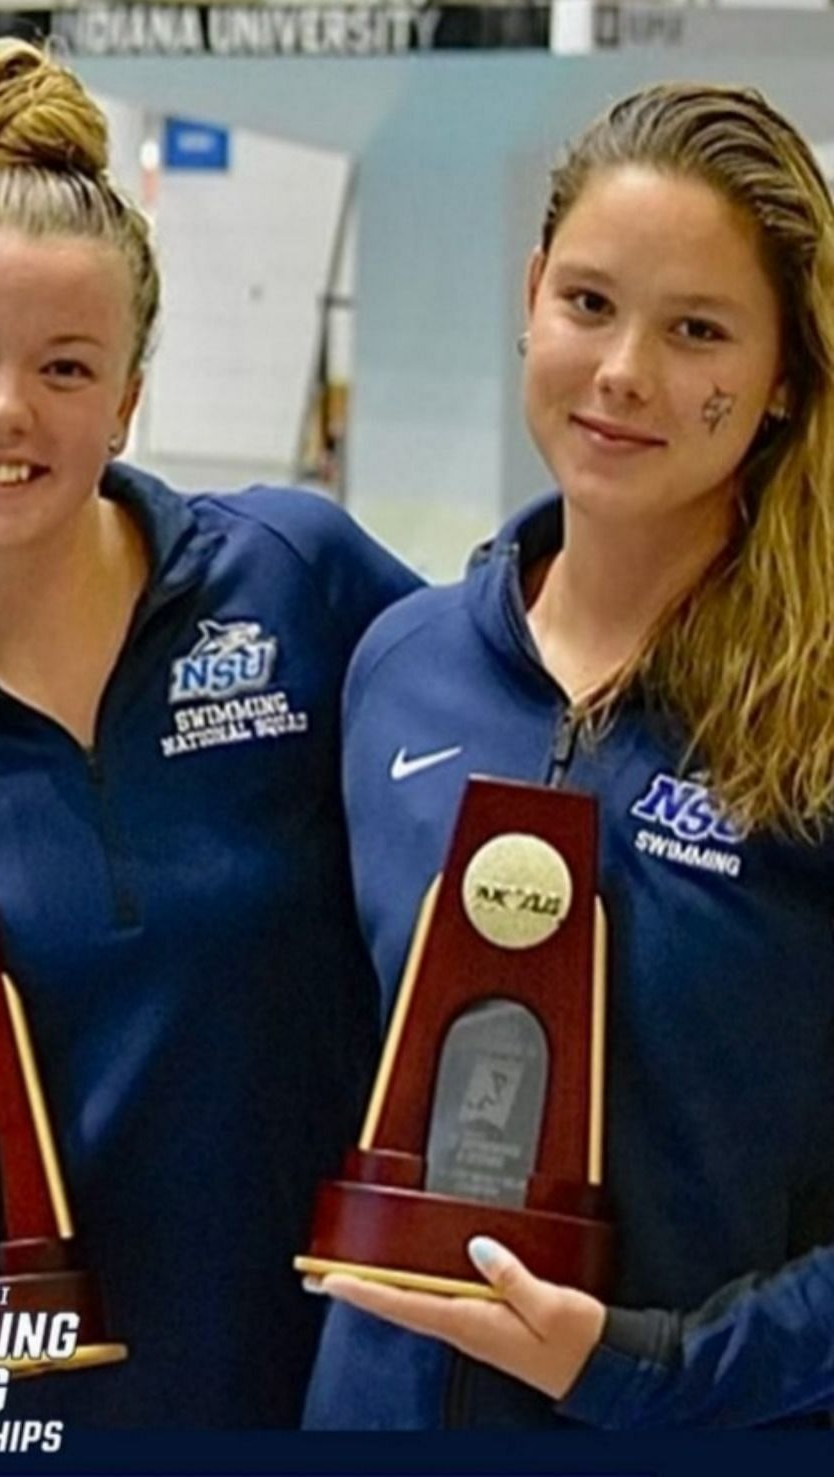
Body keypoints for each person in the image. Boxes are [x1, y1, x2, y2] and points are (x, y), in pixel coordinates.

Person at [0, 39, 420, 1427]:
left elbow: (515, 725)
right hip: (22, 1418)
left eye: (66, 366)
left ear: (126, 397)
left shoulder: (297, 579)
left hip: (346, 1392)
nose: (6, 410)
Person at [306, 83, 834, 1428]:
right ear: (533, 290)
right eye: (590, 303)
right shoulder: (403, 668)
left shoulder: (814, 714)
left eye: (698, 329)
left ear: (783, 375)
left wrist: (645, 1362)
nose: (623, 372)